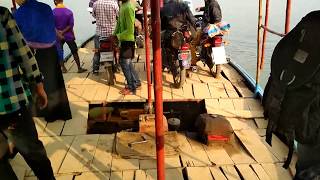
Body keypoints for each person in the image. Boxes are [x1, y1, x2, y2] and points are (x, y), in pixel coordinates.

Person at [0, 7, 55, 180]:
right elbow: (24, 54)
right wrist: (39, 86)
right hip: (10, 102)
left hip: (10, 102)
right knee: (32, 151)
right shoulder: (2, 15)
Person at [14, 0, 72, 122]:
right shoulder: (46, 8)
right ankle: (61, 111)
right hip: (51, 51)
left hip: (33, 53)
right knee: (54, 81)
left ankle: (43, 110)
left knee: (38, 82)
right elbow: (50, 28)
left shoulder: (19, 13)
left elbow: (19, 37)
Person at [114, 0, 141, 95]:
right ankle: (136, 82)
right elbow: (119, 24)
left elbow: (130, 30)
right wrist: (114, 34)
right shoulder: (123, 5)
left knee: (124, 62)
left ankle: (131, 87)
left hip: (128, 40)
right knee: (128, 62)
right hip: (124, 39)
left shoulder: (129, 7)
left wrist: (117, 36)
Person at [53, 0, 88, 73]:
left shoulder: (52, 13)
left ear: (55, 2)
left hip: (57, 36)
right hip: (68, 35)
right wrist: (64, 32)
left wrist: (59, 33)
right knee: (74, 51)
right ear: (62, 1)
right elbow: (71, 25)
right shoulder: (68, 12)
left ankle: (63, 68)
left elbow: (52, 25)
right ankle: (79, 68)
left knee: (60, 51)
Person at [191, 0, 222, 67]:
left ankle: (193, 63)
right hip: (211, 28)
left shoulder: (213, 4)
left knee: (193, 43)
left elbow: (217, 18)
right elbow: (208, 8)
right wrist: (200, 8)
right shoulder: (210, 3)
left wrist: (211, 26)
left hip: (209, 28)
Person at [92, 0, 119, 74]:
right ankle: (117, 66)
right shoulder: (114, 4)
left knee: (97, 51)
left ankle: (95, 69)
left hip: (99, 33)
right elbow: (118, 16)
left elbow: (94, 15)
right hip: (112, 33)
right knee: (116, 50)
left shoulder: (95, 4)